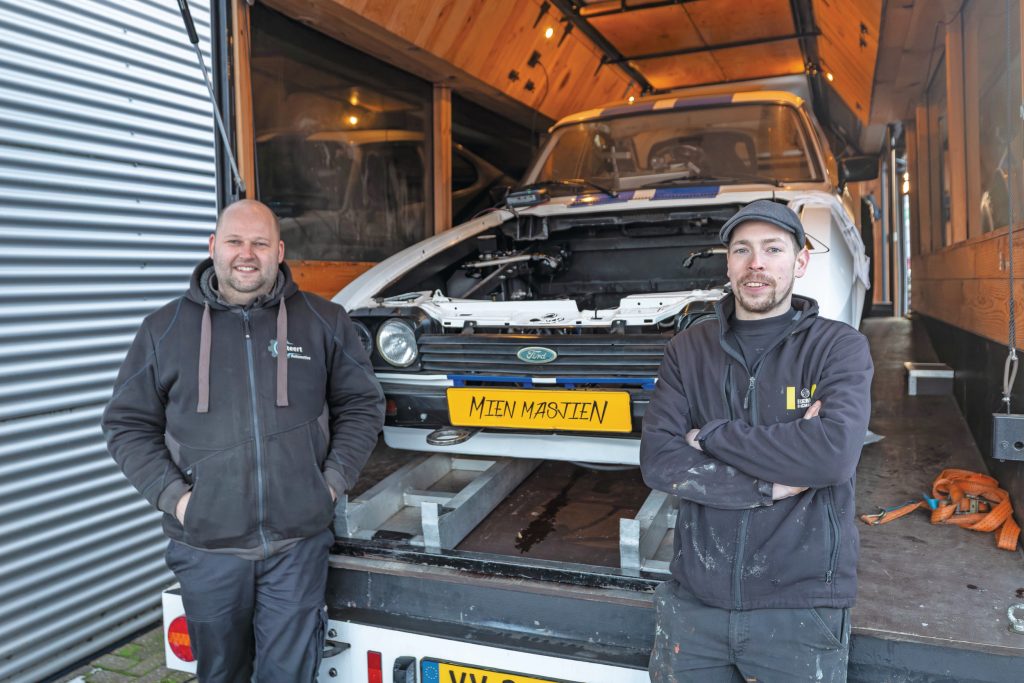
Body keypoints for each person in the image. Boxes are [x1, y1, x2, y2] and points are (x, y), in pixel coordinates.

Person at [102, 199, 385, 681]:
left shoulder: (324, 321)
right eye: (234, 241)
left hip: (297, 545)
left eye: (259, 243)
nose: (246, 254)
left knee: (289, 675)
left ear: (279, 250)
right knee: (222, 674)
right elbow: (126, 424)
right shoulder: (163, 329)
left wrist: (331, 483)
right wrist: (179, 500)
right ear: (214, 247)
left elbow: (362, 404)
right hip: (206, 549)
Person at [640, 199, 873, 682]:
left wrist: (710, 435)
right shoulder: (689, 349)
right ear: (728, 263)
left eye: (773, 249)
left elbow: (831, 456)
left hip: (800, 607)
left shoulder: (838, 346)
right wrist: (764, 486)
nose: (757, 263)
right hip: (694, 601)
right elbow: (660, 461)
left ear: (801, 261)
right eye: (742, 250)